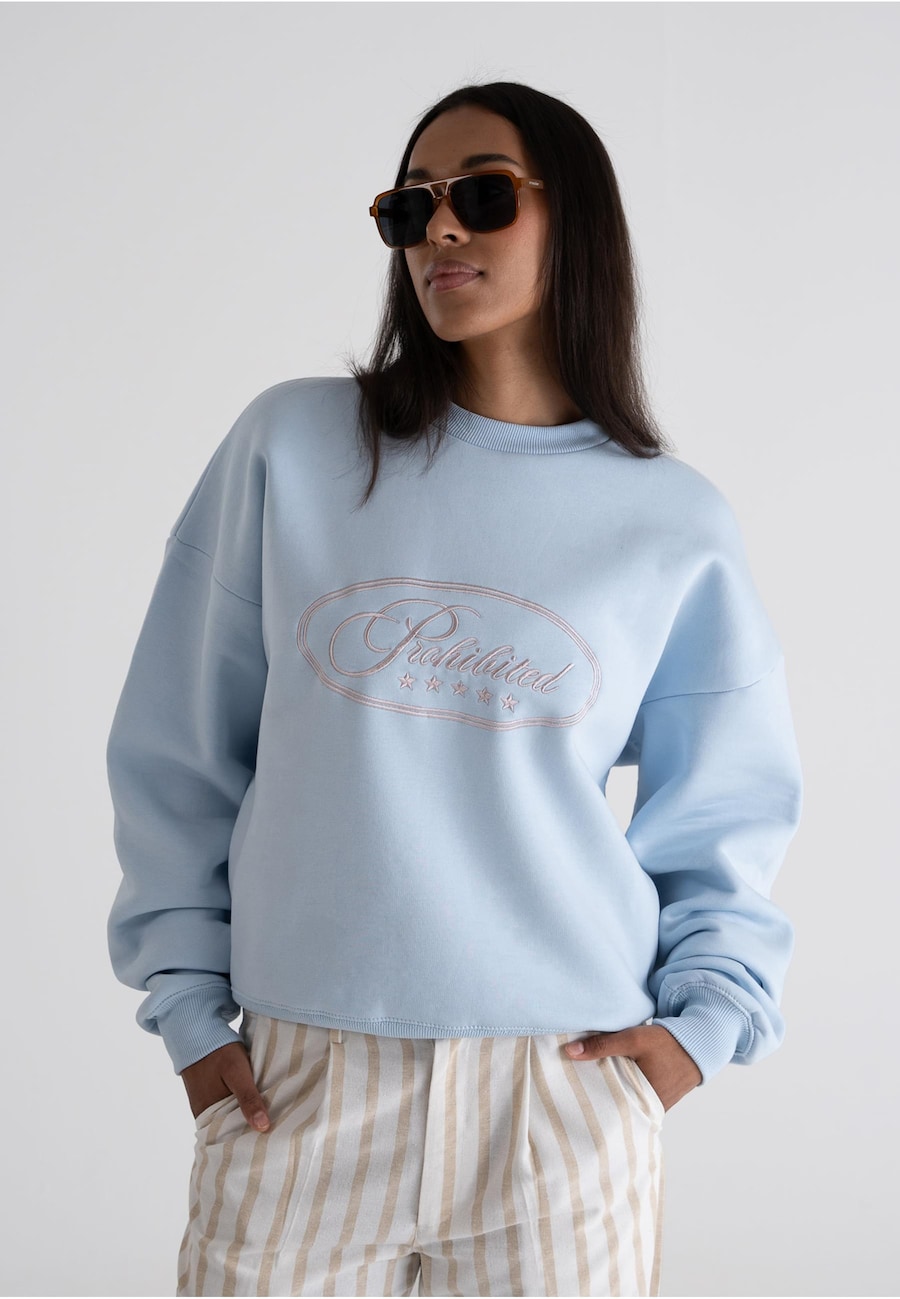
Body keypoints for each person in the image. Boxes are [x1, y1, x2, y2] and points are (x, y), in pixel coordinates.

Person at [106, 81, 803, 1298]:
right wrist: (190, 1009)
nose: (438, 228)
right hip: (297, 1085)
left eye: (481, 196)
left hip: (562, 1092)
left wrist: (698, 1030)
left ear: (573, 219)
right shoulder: (293, 448)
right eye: (410, 206)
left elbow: (728, 808)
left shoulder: (670, 521)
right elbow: (178, 747)